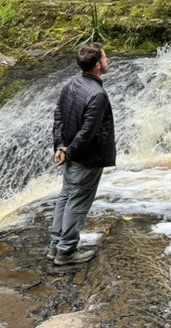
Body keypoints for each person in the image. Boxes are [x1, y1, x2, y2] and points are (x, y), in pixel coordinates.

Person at [49, 41, 116, 266]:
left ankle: (55, 246)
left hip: (70, 152)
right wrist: (70, 153)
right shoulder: (97, 95)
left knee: (66, 197)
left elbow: (58, 116)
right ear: (98, 65)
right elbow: (88, 133)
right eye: (106, 58)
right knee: (76, 203)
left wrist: (60, 147)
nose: (108, 61)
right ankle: (66, 252)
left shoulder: (71, 84)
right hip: (85, 159)